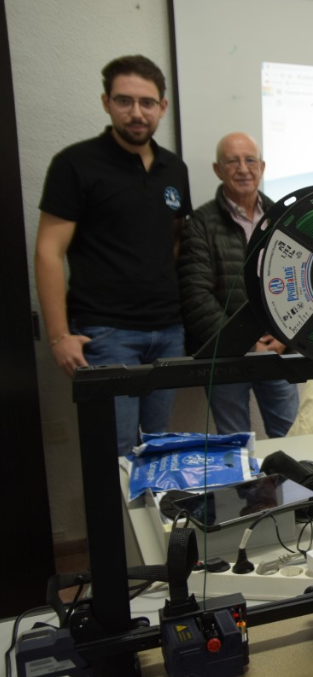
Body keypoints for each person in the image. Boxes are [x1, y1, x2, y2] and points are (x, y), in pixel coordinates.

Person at [35, 55, 190, 455]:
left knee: (157, 449)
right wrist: (58, 336)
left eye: (147, 103)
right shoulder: (75, 164)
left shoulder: (175, 168)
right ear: (106, 102)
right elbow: (49, 251)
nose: (136, 113)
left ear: (163, 107)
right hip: (107, 335)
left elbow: (175, 239)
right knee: (115, 454)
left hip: (169, 332)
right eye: (125, 101)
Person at [178, 133, 299, 438]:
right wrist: (245, 343)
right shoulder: (201, 223)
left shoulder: (283, 217)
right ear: (218, 169)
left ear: (263, 166)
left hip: (278, 352)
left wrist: (285, 337)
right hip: (227, 357)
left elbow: (300, 284)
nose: (243, 168)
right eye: (232, 161)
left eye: (250, 160)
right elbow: (196, 296)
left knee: (295, 438)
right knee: (235, 448)